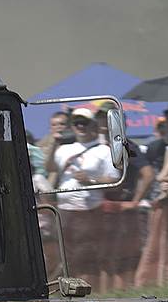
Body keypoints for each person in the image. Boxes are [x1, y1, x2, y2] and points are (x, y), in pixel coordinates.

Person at [48, 107, 119, 290]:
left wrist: (90, 180)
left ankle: (88, 288)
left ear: (92, 125)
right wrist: (54, 144)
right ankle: (62, 287)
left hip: (89, 210)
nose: (80, 126)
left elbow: (114, 179)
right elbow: (50, 168)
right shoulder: (64, 148)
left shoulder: (103, 150)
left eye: (84, 122)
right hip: (64, 209)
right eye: (76, 123)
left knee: (85, 252)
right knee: (64, 252)